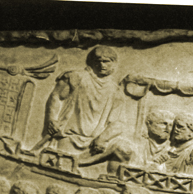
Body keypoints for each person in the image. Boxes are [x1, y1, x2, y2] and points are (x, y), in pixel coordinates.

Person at [42, 46, 132, 176]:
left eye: (106, 61)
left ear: (114, 63)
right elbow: (56, 96)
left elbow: (118, 123)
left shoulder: (116, 91)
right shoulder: (76, 77)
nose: (102, 65)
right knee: (60, 170)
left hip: (95, 145)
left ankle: (111, 178)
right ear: (92, 62)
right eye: (98, 61)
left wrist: (102, 138)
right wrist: (52, 119)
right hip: (69, 137)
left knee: (124, 149)